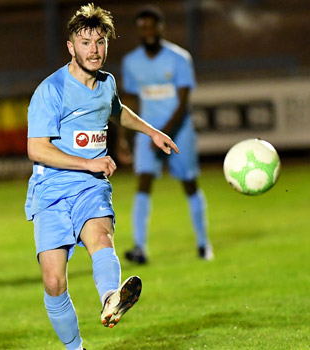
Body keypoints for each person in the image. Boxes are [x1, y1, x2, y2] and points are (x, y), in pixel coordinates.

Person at [25, 4, 179, 350]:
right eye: (85, 42)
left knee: (100, 237)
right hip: (51, 190)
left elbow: (117, 112)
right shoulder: (51, 91)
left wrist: (152, 132)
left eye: (100, 41)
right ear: (71, 47)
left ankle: (112, 296)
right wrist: (88, 163)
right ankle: (74, 347)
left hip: (90, 188)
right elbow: (36, 149)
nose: (93, 50)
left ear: (107, 44)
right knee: (53, 282)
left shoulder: (107, 84)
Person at [120, 5, 213, 264]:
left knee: (189, 184)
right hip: (146, 133)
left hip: (179, 131)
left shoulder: (179, 58)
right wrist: (126, 137)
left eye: (152, 26)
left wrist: (163, 134)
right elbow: (131, 101)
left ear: (161, 28)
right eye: (142, 27)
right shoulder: (131, 62)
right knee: (144, 182)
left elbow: (183, 103)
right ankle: (139, 247)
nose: (148, 31)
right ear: (138, 31)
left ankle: (204, 245)